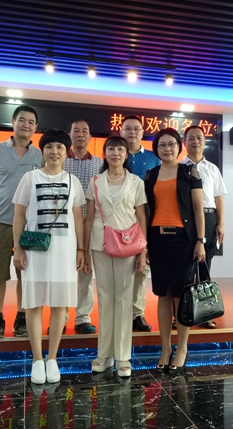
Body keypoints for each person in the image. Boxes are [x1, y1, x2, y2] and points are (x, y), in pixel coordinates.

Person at [12, 129, 86, 384]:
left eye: (60, 148)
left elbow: (78, 219)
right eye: (49, 147)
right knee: (33, 304)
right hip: (35, 250)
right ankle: (36, 359)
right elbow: (19, 215)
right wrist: (17, 248)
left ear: (67, 152)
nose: (54, 152)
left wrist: (81, 250)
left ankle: (52, 358)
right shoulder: (30, 178)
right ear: (42, 151)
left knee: (59, 305)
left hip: (64, 251)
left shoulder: (73, 181)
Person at [83, 136, 148, 377]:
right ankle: (104, 354)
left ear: (126, 154)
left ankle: (122, 357)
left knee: (124, 299)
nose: (116, 153)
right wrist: (84, 251)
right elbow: (89, 217)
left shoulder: (136, 182)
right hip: (100, 244)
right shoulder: (95, 181)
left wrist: (143, 251)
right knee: (105, 297)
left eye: (120, 149)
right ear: (105, 153)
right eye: (111, 149)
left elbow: (141, 217)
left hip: (128, 245)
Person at [0, 105, 44, 339]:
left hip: (30, 224)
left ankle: (21, 317)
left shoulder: (40, 156)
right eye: (22, 120)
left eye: (31, 122)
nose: (26, 125)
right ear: (13, 122)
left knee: (26, 273)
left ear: (35, 128)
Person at [143, 128, 205, 375]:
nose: (167, 149)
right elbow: (147, 211)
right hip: (158, 240)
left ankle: (182, 348)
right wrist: (145, 243)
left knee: (181, 296)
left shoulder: (189, 172)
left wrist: (200, 240)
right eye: (162, 145)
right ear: (156, 149)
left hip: (183, 241)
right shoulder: (150, 175)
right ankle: (165, 348)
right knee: (163, 295)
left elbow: (198, 209)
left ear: (179, 147)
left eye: (171, 144)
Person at [180, 125, 227, 329]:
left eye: (199, 138)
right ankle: (182, 314)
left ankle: (205, 313)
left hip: (209, 219)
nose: (195, 141)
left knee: (205, 265)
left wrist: (221, 223)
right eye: (191, 138)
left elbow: (218, 199)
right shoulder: (179, 167)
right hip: (186, 220)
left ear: (204, 142)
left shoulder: (212, 168)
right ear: (184, 143)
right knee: (184, 267)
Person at [119, 115, 160, 332]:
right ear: (121, 131)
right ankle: (121, 311)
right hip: (120, 219)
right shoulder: (116, 155)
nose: (132, 132)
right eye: (128, 128)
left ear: (143, 132)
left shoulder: (154, 158)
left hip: (146, 218)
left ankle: (137, 313)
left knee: (141, 268)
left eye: (136, 129)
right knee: (120, 268)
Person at [62, 120, 103, 335]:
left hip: (90, 224)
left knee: (86, 271)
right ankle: (60, 317)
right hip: (63, 226)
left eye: (84, 131)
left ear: (90, 136)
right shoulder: (60, 160)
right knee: (62, 272)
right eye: (76, 131)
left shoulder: (100, 164)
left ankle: (82, 317)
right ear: (69, 135)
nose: (80, 134)